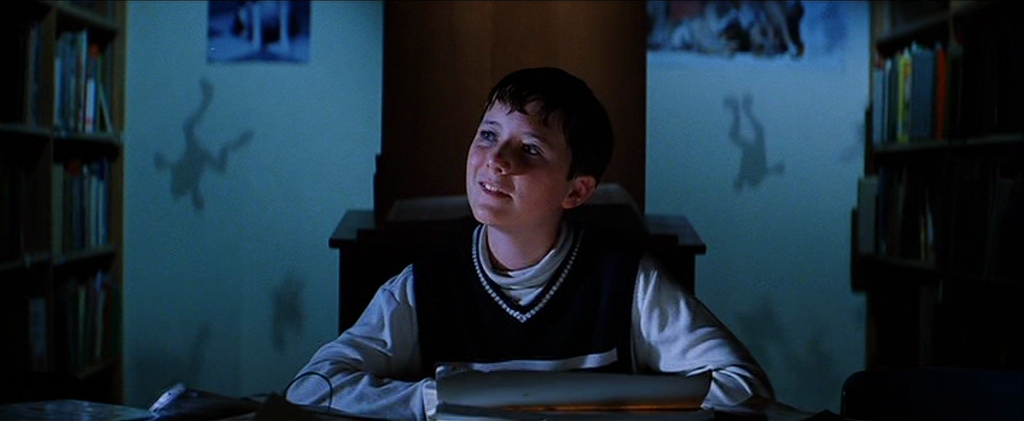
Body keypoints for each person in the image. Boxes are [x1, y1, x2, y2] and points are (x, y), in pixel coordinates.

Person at [287, 67, 774, 420]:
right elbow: (313, 387)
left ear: (576, 191)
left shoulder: (628, 282)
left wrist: (592, 408)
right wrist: (439, 401)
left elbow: (744, 388)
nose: (496, 160)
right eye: (488, 135)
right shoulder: (424, 286)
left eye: (531, 149)